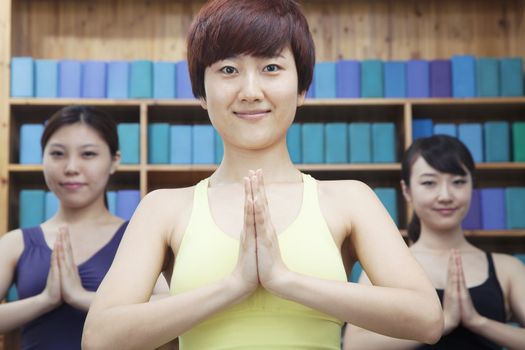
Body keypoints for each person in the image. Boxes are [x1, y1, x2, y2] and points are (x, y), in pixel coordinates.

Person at [82, 1, 443, 349]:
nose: (251, 92)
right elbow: (100, 338)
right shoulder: (163, 208)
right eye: (228, 70)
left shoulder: (349, 199)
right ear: (201, 93)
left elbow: (426, 319)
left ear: (301, 88)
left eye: (271, 68)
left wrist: (284, 280)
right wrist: (234, 285)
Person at [344, 135, 525, 350]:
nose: (445, 195)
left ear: (472, 186)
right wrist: (443, 322)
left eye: (458, 182)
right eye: (429, 183)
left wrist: (478, 322)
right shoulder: (384, 269)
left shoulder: (507, 268)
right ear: (407, 190)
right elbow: (354, 345)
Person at [0, 105, 127, 349]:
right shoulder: (17, 242)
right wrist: (44, 301)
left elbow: (166, 307)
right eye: (57, 154)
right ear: (43, 159)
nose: (71, 168)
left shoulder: (137, 236)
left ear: (114, 161)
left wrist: (79, 297)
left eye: (88, 154)